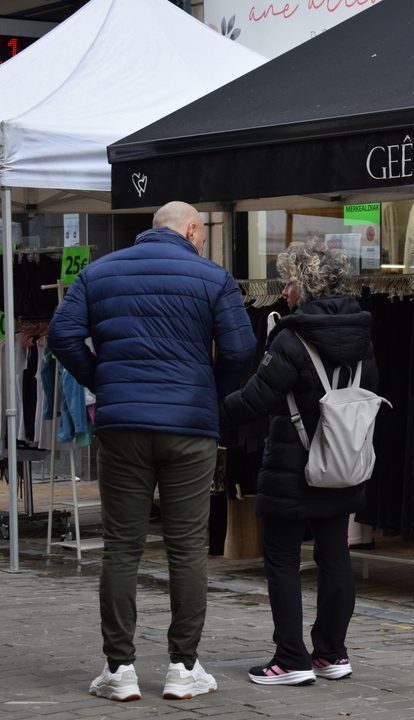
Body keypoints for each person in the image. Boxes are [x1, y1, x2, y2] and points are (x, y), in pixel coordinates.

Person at [48, 201, 257, 702]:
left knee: (122, 547)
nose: (201, 243)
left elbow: (61, 335)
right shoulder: (213, 277)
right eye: (201, 236)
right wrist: (211, 394)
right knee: (186, 548)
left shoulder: (99, 272)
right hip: (189, 425)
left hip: (122, 426)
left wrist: (102, 380)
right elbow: (240, 349)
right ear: (191, 229)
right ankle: (183, 668)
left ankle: (119, 670)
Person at [222, 239, 377, 686]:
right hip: (342, 462)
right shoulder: (363, 336)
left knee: (283, 560)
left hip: (293, 467)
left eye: (289, 282)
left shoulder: (291, 338)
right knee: (335, 556)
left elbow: (255, 400)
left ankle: (291, 659)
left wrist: (210, 407)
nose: (284, 292)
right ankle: (332, 653)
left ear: (308, 286)